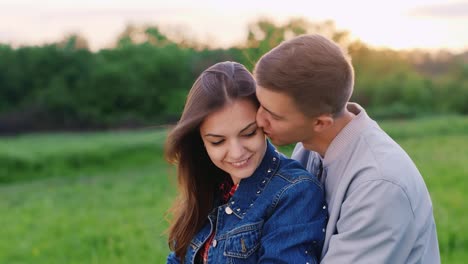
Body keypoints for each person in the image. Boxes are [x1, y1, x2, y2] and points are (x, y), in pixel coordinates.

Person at [254, 34, 440, 263]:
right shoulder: (308, 146)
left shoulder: (380, 185)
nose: (258, 120)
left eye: (272, 115)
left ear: (321, 122)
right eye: (259, 104)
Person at [165, 61, 327, 264]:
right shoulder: (210, 185)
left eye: (249, 133)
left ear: (264, 122)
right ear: (201, 141)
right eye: (217, 141)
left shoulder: (295, 192)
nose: (236, 152)